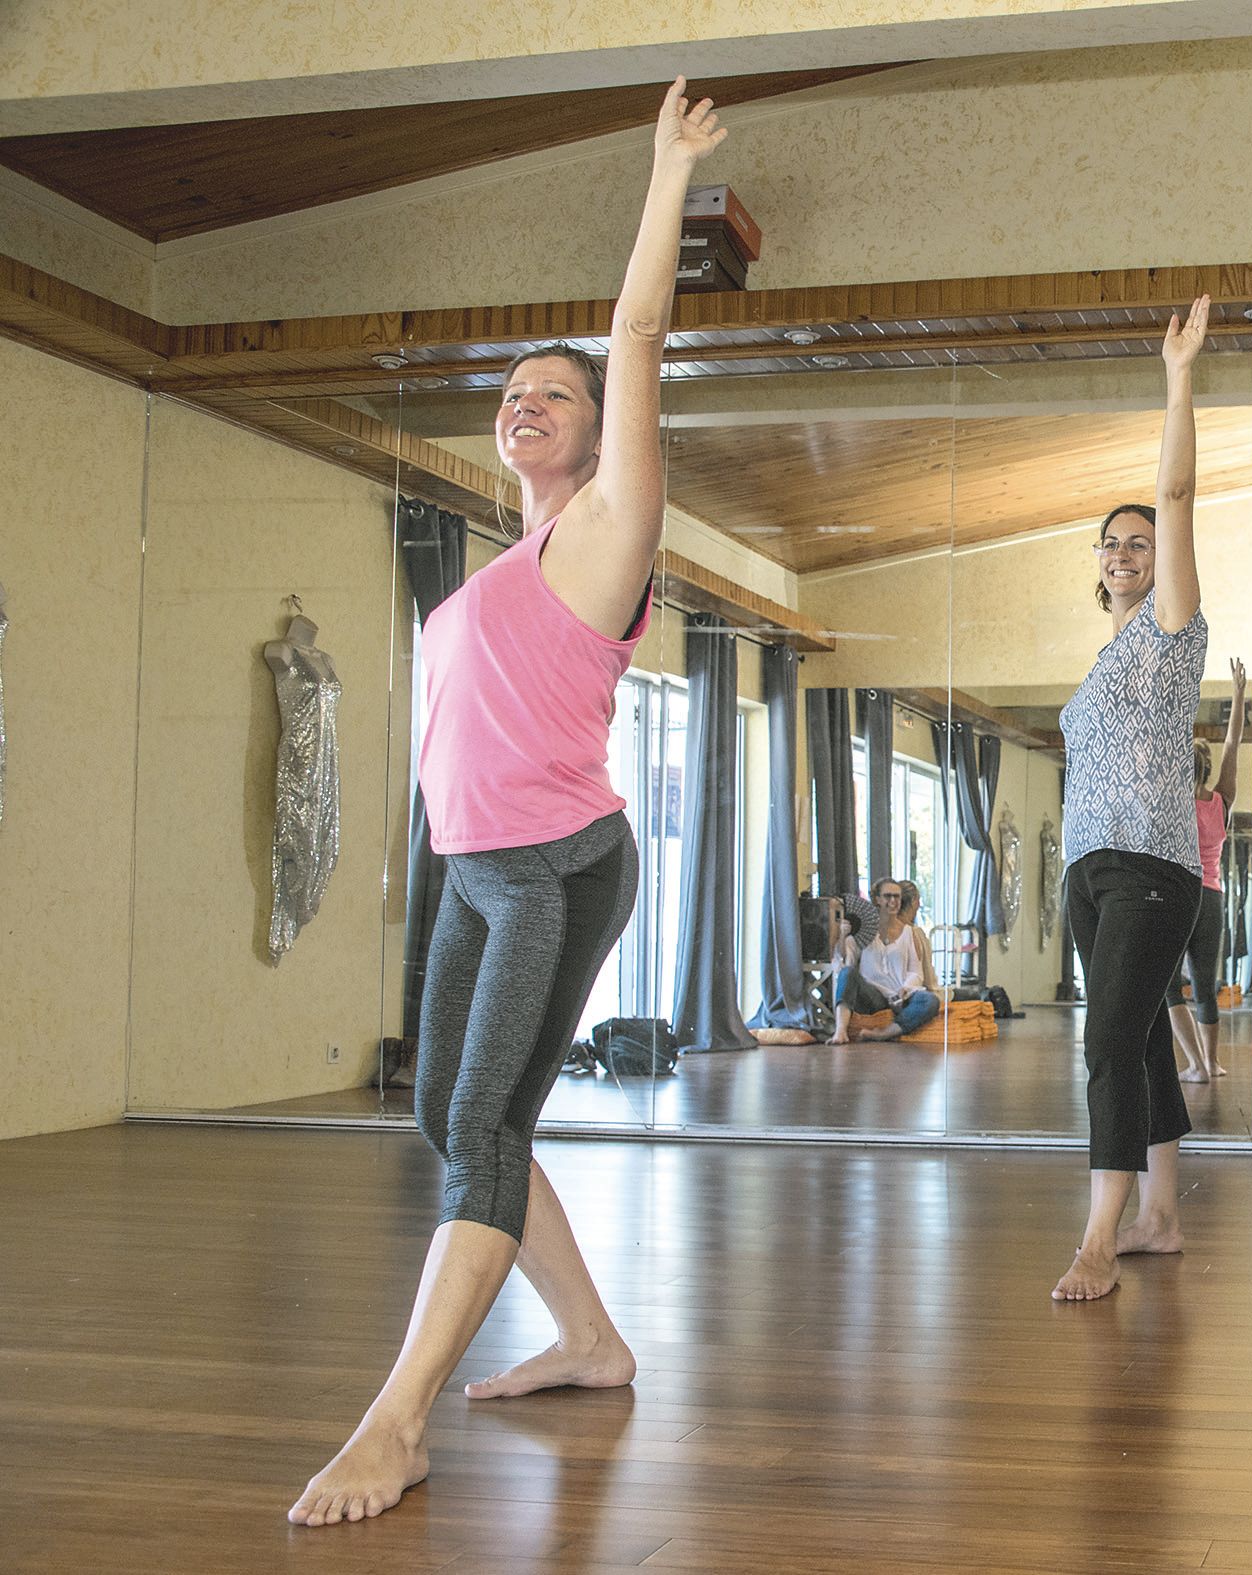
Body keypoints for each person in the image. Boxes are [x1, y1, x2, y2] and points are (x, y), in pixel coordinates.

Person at [289, 81, 727, 1527]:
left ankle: (395, 1418)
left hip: (553, 865)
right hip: (471, 865)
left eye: (553, 390)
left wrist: (662, 175)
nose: (520, 401)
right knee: (451, 1109)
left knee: (481, 1121)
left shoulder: (609, 529)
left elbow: (643, 334)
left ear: (600, 434)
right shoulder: (494, 560)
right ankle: (591, 1339)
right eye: (511, 392)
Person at [1051, 295, 1213, 1302]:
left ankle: (1099, 1237)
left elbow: (1180, 491)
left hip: (1153, 865)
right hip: (1085, 866)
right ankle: (1160, 1215)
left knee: (1105, 1038)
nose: (1123, 552)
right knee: (1143, 1036)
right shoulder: (1100, 659)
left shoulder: (1171, 633)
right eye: (1110, 544)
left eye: (1138, 543)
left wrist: (1178, 378)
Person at [1168, 658, 1249, 1082]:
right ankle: (1211, 1063)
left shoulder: (1172, 803)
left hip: (1179, 896)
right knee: (1205, 985)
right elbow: (1232, 746)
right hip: (1212, 897)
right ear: (1204, 769)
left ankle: (1195, 1064)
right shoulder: (1220, 802)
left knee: (1169, 988)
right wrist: (1238, 696)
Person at [831, 887, 937, 1041]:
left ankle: (885, 1033)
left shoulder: (909, 932)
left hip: (901, 994)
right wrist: (842, 936)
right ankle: (840, 1031)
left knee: (930, 1001)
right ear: (877, 900)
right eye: (887, 897)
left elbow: (916, 972)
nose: (892, 902)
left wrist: (906, 987)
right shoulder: (864, 933)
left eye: (896, 897)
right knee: (847, 972)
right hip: (874, 996)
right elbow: (844, 963)